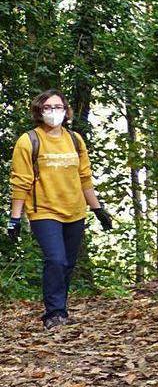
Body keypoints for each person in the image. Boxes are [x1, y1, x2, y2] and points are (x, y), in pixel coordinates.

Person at [7, 90, 113, 330]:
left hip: (75, 210)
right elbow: (21, 182)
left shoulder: (75, 140)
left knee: (68, 263)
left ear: (66, 111)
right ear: (39, 111)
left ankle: (60, 307)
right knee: (55, 259)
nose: (53, 112)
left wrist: (98, 210)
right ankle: (54, 312)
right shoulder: (29, 141)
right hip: (44, 211)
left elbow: (84, 178)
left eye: (58, 107)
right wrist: (15, 218)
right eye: (47, 107)